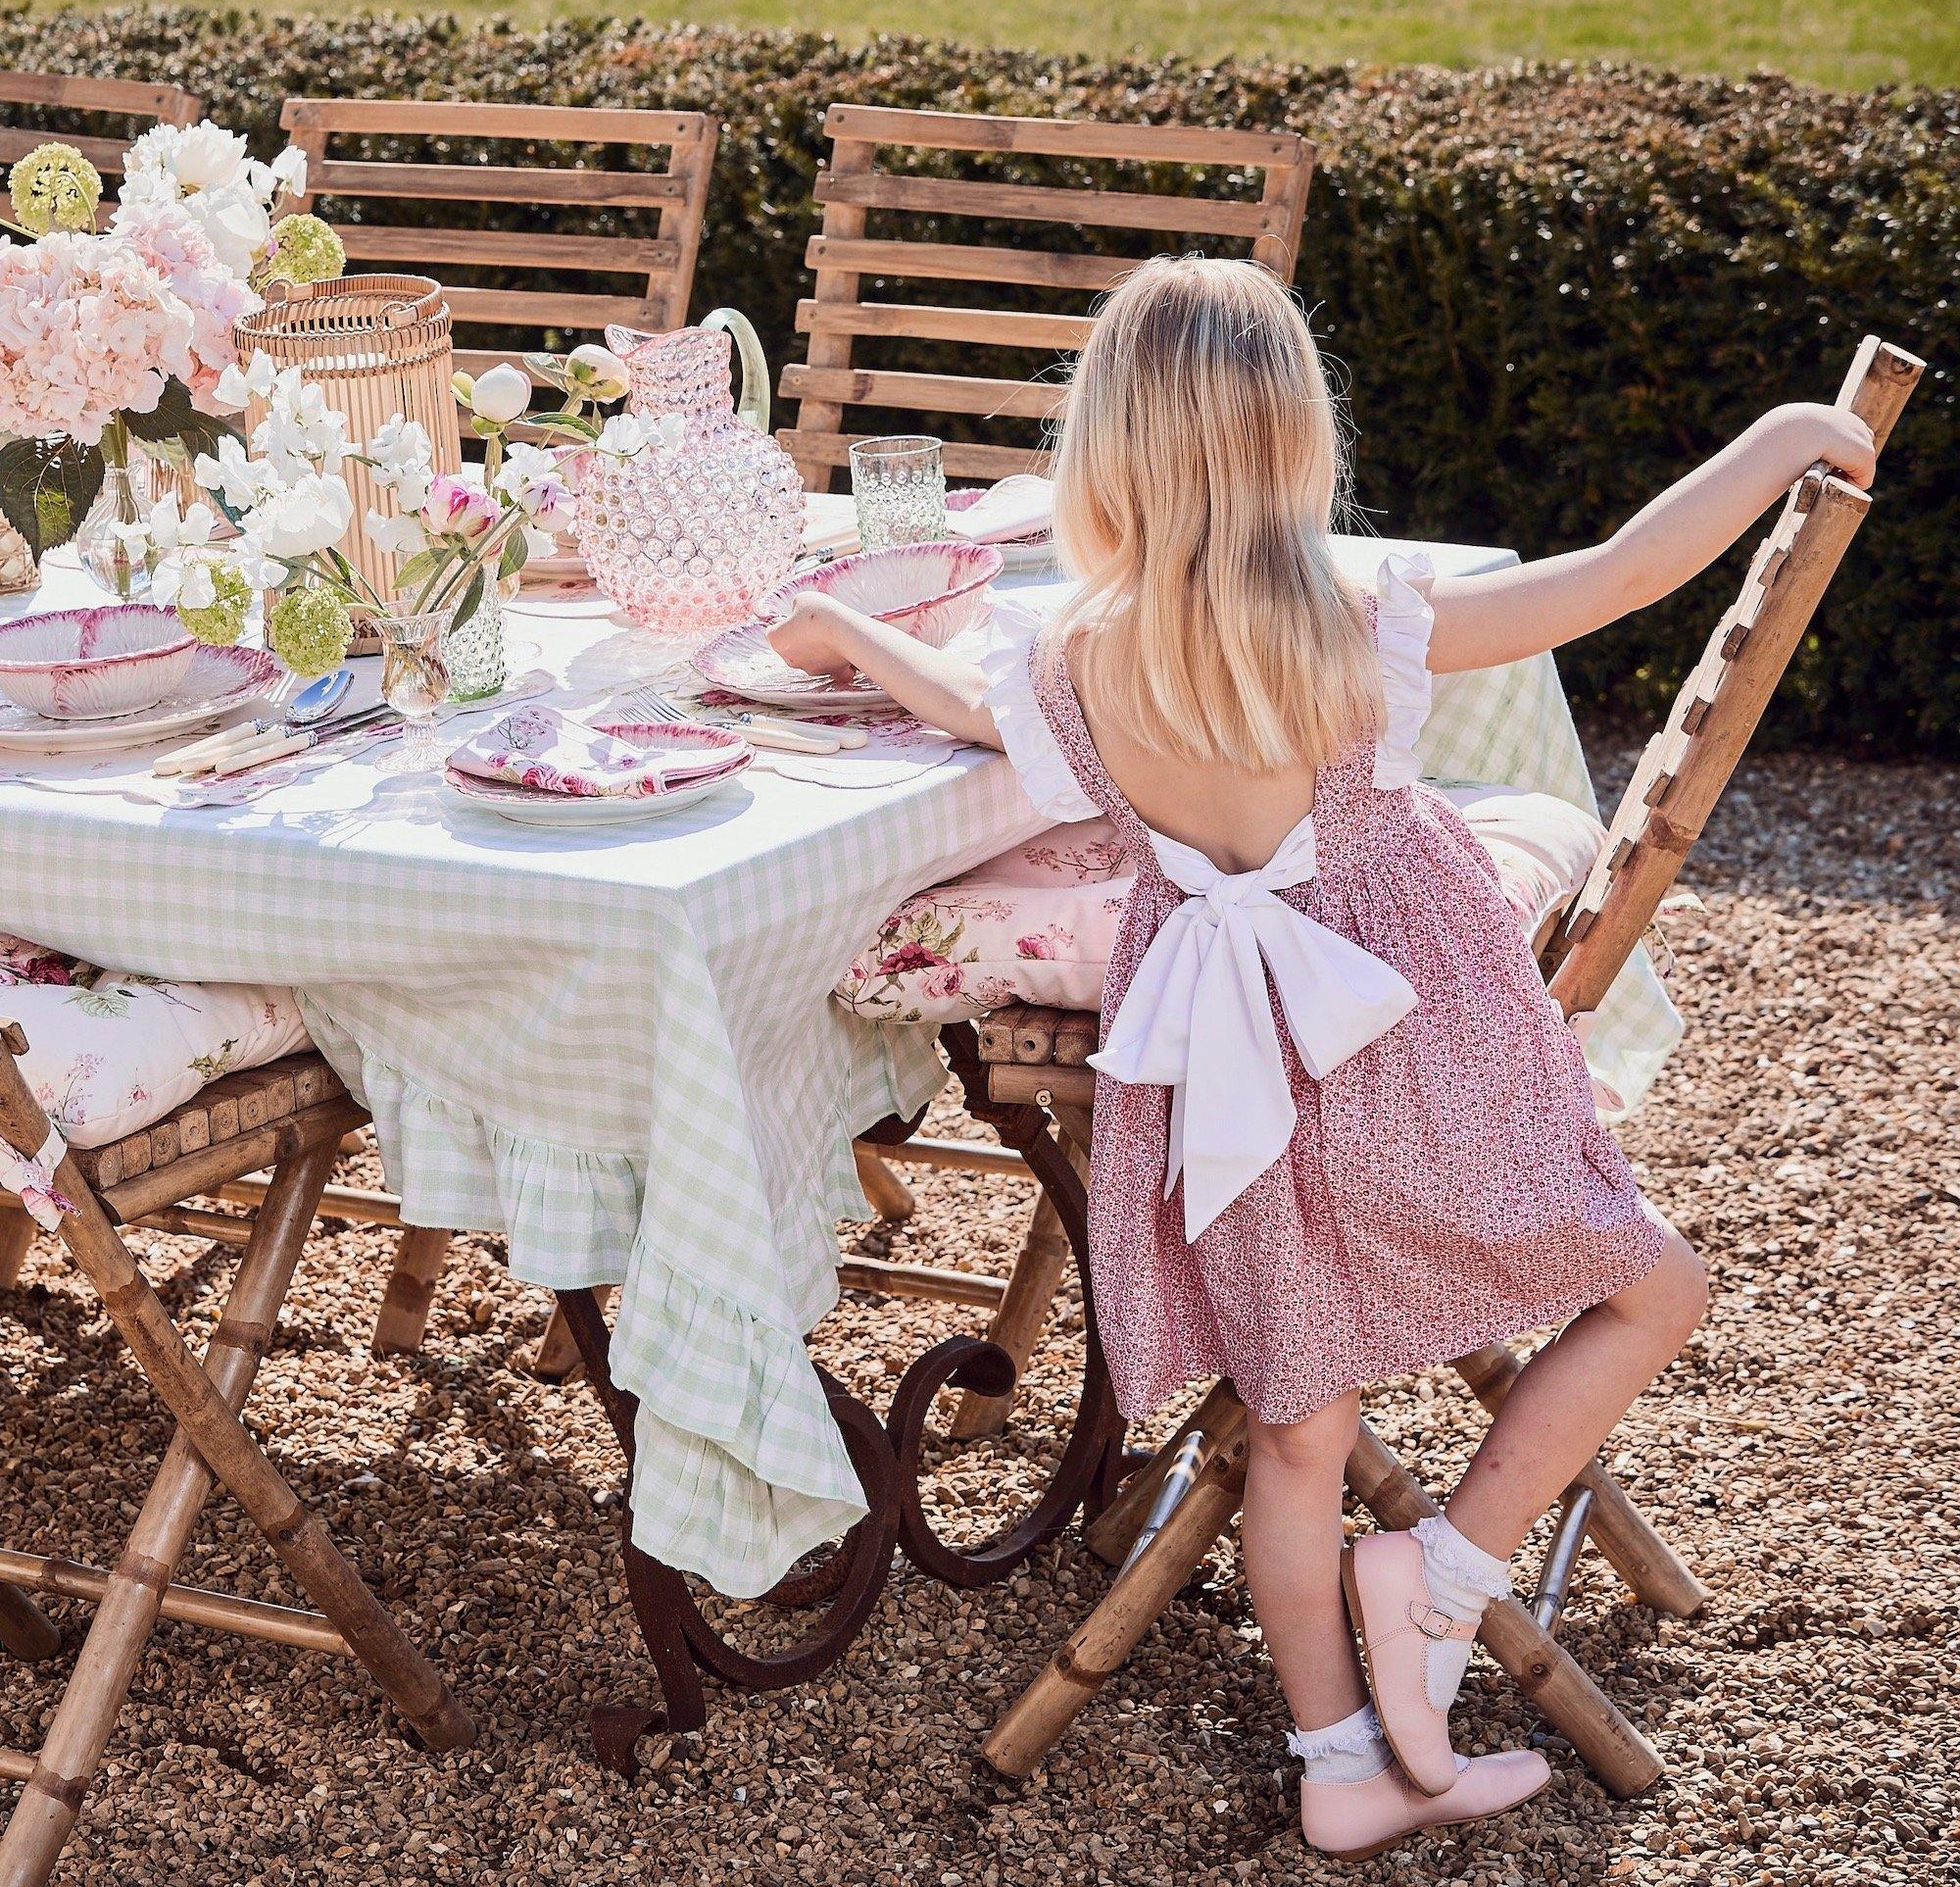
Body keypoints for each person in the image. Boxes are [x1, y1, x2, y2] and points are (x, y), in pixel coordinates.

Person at [770, 256, 1876, 1857]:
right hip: (1402, 1065)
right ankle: (1439, 1573)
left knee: (1296, 1430)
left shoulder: (1074, 656)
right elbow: (1627, 570)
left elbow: (961, 707)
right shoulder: (1367, 626)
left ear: (1110, 446)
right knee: (1656, 1287)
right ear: (1295, 437)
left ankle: (1338, 1760)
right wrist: (1782, 436)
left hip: (1223, 1083)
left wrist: (838, 637)